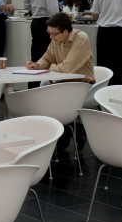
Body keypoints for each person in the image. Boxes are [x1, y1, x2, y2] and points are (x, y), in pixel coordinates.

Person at [26, 12, 95, 151]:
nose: (51, 37)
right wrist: (37, 65)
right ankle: (63, 130)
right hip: (63, 83)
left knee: (51, 100)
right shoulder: (56, 39)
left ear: (65, 32)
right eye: (49, 33)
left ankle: (64, 131)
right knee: (43, 98)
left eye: (53, 34)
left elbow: (67, 68)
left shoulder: (81, 38)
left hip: (82, 84)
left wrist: (50, 67)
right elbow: (47, 58)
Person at [23, 0, 59, 87]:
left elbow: (26, 4)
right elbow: (52, 8)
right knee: (47, 57)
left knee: (35, 55)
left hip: (35, 22)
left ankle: (33, 87)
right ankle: (44, 88)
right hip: (47, 23)